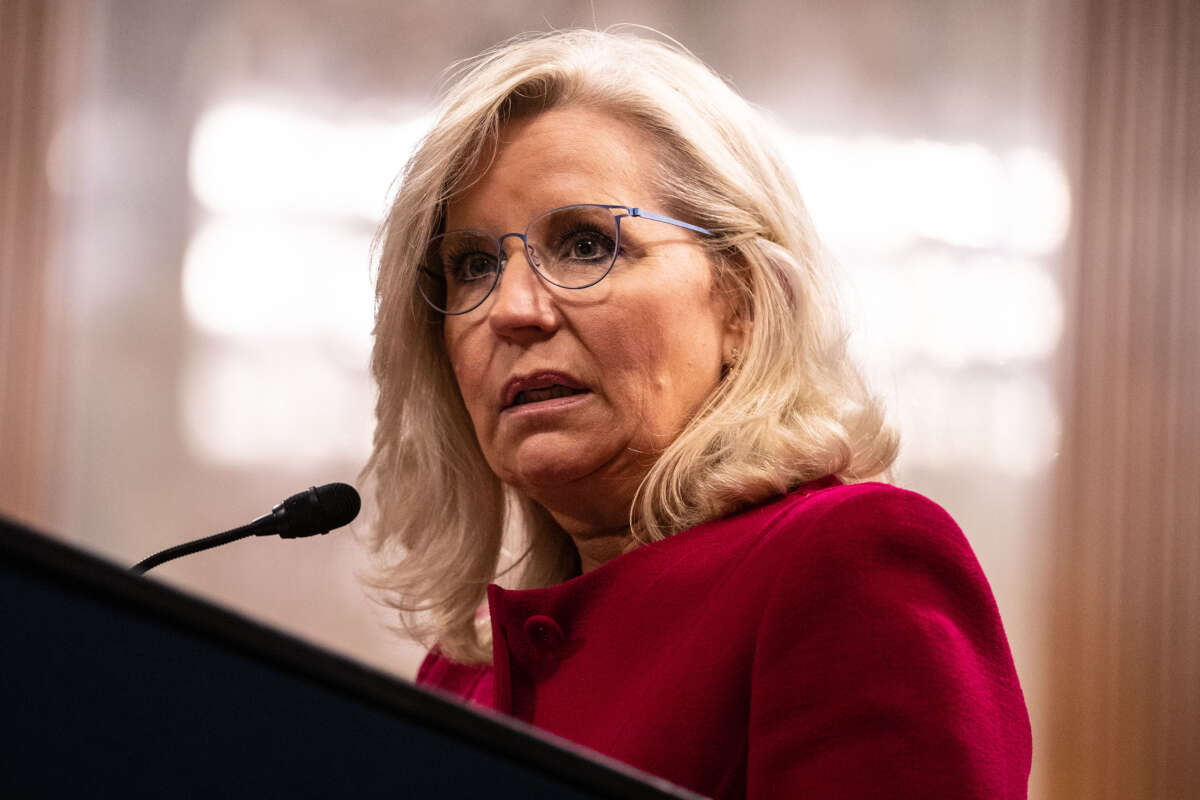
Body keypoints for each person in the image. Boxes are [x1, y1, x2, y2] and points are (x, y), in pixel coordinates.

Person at [362, 28, 1031, 799]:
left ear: (740, 303)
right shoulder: (460, 675)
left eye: (584, 244)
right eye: (474, 265)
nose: (511, 310)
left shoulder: (848, 564)